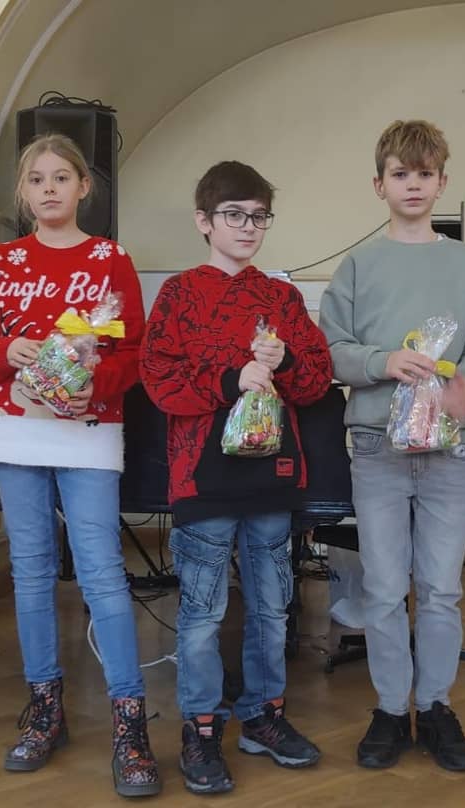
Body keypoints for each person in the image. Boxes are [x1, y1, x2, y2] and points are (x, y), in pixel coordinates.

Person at [0, 133, 160, 797]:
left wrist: (93, 385)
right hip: (16, 429)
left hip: (89, 429)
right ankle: (46, 708)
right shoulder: (2, 259)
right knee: (31, 571)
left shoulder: (111, 258)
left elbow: (133, 351)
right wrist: (8, 352)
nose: (49, 189)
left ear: (83, 187)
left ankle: (130, 723)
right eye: (36, 179)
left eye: (61, 177)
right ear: (23, 193)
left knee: (102, 572)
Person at [140, 160, 332, 795]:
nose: (248, 227)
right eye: (234, 215)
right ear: (204, 221)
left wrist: (288, 359)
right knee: (201, 613)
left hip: (273, 476)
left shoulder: (282, 298)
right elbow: (159, 379)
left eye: (258, 216)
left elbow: (315, 380)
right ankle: (200, 729)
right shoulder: (179, 294)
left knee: (273, 608)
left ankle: (262, 717)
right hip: (202, 480)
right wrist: (232, 378)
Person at [317, 120, 465, 772]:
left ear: (442, 182)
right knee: (384, 586)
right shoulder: (359, 266)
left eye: (425, 174)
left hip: (450, 447)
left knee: (442, 587)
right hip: (377, 444)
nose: (413, 184)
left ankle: (437, 704)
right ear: (380, 185)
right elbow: (331, 349)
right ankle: (392, 708)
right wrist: (382, 361)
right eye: (401, 174)